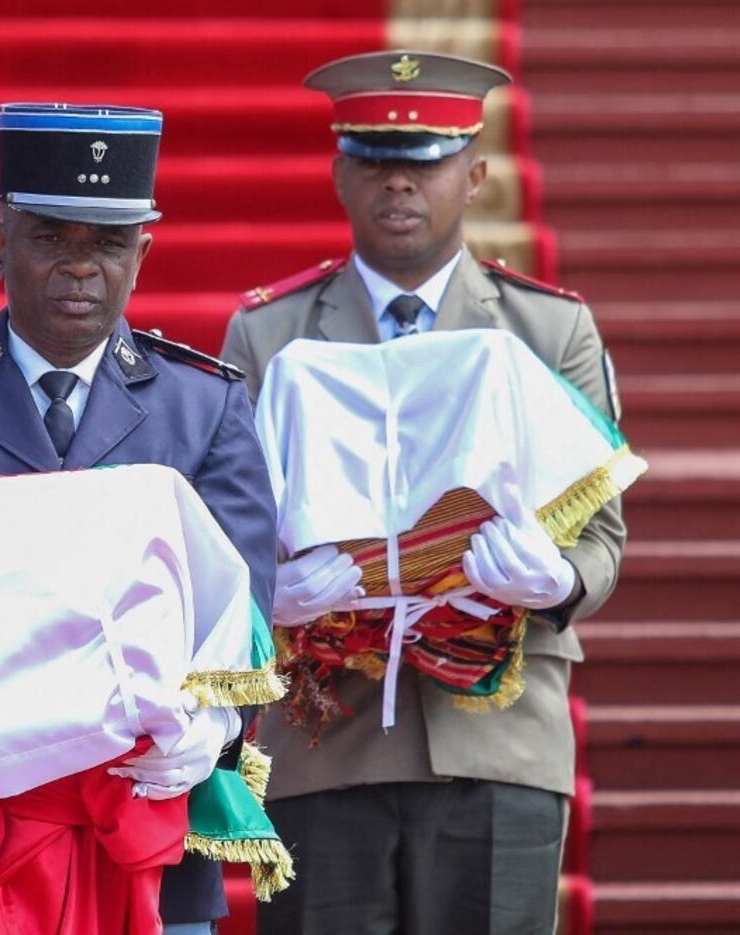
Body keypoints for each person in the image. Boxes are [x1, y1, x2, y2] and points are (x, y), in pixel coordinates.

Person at [0, 102, 278, 933]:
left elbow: (244, 613)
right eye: (49, 239)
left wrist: (219, 727)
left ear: (141, 257)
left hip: (150, 835)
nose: (80, 267)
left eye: (107, 244)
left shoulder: (204, 408)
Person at [220, 51, 626, 933]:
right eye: (372, 159)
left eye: (426, 161)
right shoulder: (268, 332)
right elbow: (228, 527)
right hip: (325, 740)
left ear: (475, 175)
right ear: (339, 175)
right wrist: (265, 592)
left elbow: (602, 534)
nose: (397, 182)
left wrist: (556, 580)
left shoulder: (549, 328)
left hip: (497, 737)